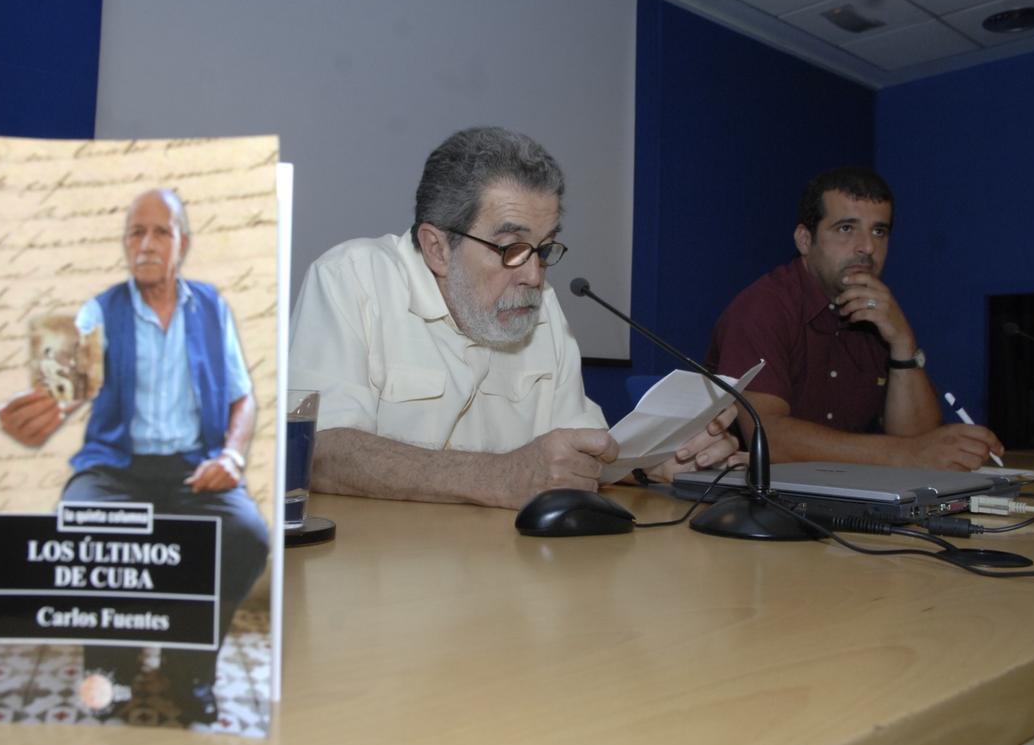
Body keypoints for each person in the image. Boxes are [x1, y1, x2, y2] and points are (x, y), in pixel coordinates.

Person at [288, 126, 740, 509]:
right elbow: (319, 452)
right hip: (379, 580)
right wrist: (500, 476)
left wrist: (652, 465)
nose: (534, 273)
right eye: (511, 248)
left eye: (544, 248)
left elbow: (575, 454)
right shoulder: (352, 277)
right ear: (437, 248)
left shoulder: (541, 304)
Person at [0, 188, 269, 725]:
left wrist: (233, 458)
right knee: (82, 521)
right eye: (136, 233)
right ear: (125, 244)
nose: (146, 244)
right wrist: (45, 410)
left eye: (161, 232)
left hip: (194, 467)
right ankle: (113, 666)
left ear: (182, 244)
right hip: (116, 467)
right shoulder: (98, 310)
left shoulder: (212, 307)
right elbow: (67, 389)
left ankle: (188, 667)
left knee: (247, 536)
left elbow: (243, 396)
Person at [706, 166, 1003, 471]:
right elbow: (768, 436)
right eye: (846, 228)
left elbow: (921, 442)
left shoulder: (879, 312)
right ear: (805, 240)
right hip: (750, 503)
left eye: (879, 231)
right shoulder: (764, 307)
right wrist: (904, 454)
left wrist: (903, 342)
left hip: (847, 496)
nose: (867, 247)